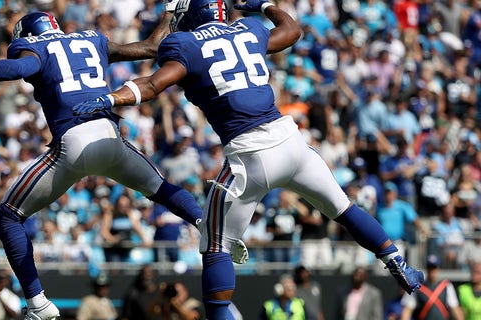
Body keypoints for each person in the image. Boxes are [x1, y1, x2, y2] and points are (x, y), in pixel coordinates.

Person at [72, 0, 424, 318]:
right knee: (344, 208)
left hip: (249, 156)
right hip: (291, 142)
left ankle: (219, 312)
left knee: (214, 247)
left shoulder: (185, 44)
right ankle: (397, 261)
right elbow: (292, 31)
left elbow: (151, 85)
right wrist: (266, 5)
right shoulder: (250, 29)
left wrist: (112, 99)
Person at [0, 4, 241, 319]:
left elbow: (19, 70)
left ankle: (37, 302)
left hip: (74, 142)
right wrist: (167, 16)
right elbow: (150, 47)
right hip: (110, 137)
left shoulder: (36, 47)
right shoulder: (91, 40)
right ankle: (208, 225)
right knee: (159, 187)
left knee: (8, 215)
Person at [400, 255, 464, 320]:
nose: (432, 271)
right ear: (427, 268)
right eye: (430, 268)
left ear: (438, 269)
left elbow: (455, 309)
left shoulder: (446, 286)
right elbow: (407, 311)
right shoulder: (417, 286)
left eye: (434, 268)